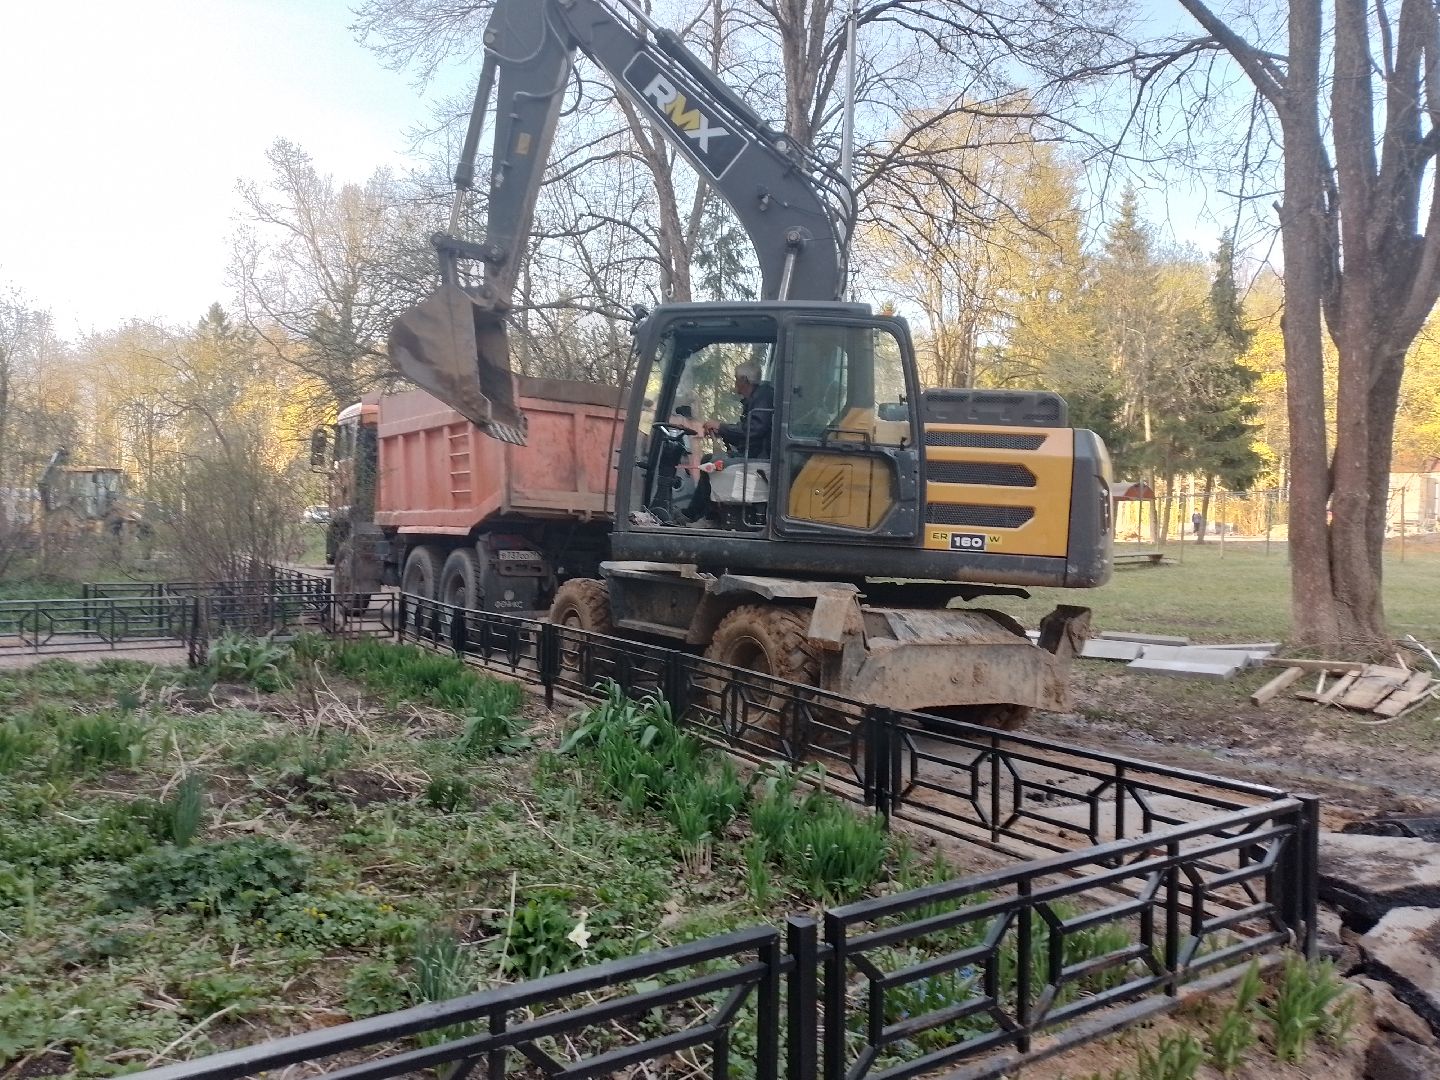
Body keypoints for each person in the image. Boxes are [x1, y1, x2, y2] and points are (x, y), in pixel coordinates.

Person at [684, 360, 775, 525]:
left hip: (759, 458)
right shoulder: (757, 398)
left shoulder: (763, 398)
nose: (735, 383)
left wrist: (722, 427)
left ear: (745, 380)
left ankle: (704, 516)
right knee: (708, 461)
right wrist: (721, 431)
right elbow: (747, 431)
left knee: (711, 464)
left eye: (736, 379)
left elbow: (754, 430)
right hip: (753, 453)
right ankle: (701, 514)